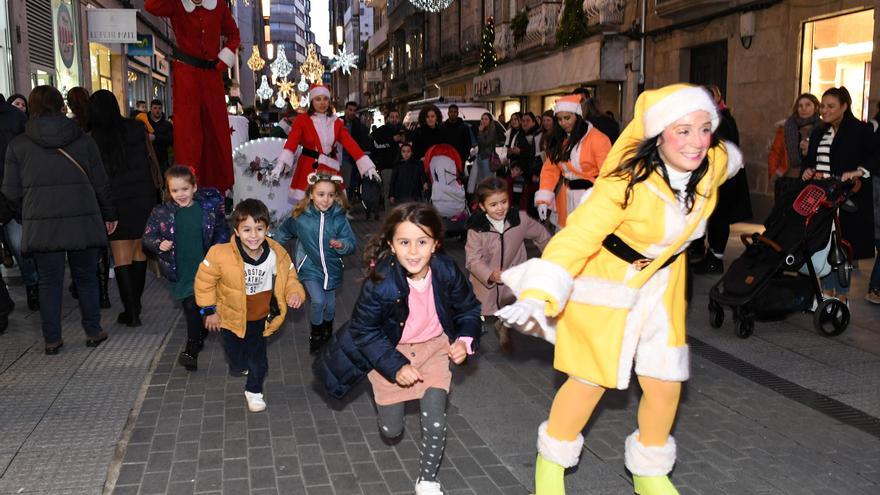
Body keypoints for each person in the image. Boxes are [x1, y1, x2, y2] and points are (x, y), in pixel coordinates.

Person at [495, 84, 742, 495]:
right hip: (609, 280)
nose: (697, 142)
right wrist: (541, 289)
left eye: (703, 129)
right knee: (591, 380)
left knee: (666, 381)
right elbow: (579, 236)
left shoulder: (711, 162)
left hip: (662, 284)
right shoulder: (626, 184)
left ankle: (649, 468)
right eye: (682, 131)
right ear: (658, 134)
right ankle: (551, 462)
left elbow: (726, 159)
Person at [313, 202, 481, 494]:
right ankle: (385, 404)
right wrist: (395, 366)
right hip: (390, 352)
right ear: (391, 245)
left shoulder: (446, 270)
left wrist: (464, 341)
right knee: (392, 430)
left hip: (435, 348)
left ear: (436, 244)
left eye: (422, 242)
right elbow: (364, 331)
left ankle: (427, 480)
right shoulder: (380, 282)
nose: (413, 252)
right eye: (405, 242)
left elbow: (468, 308)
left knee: (436, 418)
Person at [3, 85, 118, 354]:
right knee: (87, 278)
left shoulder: (18, 145)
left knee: (48, 282)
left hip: (43, 224)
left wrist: (28, 212)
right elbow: (101, 182)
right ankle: (92, 331)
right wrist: (109, 213)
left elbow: (10, 191)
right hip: (83, 220)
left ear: (31, 108)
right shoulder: (83, 140)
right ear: (61, 105)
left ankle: (52, 339)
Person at [195, 198, 305, 412]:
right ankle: (240, 364)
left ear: (267, 229)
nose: (253, 236)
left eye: (259, 229)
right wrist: (209, 311)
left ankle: (254, 391)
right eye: (246, 229)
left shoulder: (277, 254)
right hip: (230, 317)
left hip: (260, 317)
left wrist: (294, 292)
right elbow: (204, 282)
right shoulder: (219, 254)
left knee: (258, 359)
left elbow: (290, 276)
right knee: (236, 358)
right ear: (236, 231)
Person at [145, 0, 240, 194]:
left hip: (212, 74)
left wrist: (223, 60)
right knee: (188, 132)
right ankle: (188, 185)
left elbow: (234, 34)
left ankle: (219, 186)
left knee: (216, 130)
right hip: (186, 74)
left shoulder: (219, 5)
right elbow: (151, 6)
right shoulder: (177, 5)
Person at [142, 165, 229, 369]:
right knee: (191, 306)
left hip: (205, 269)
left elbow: (222, 231)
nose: (180, 194)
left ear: (194, 187)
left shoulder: (207, 209)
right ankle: (199, 335)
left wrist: (216, 252)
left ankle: (192, 349)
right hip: (180, 270)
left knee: (196, 306)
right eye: (174, 190)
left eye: (184, 189)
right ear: (168, 191)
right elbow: (147, 237)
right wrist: (158, 244)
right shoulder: (161, 213)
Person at [88, 89, 160, 326]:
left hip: (115, 201)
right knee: (139, 251)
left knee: (121, 256)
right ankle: (135, 304)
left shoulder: (94, 138)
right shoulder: (136, 128)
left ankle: (131, 312)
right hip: (142, 196)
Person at [802, 86, 876, 303]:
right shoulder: (818, 131)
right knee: (823, 243)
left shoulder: (860, 130)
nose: (825, 110)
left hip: (846, 198)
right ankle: (826, 292)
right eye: (823, 106)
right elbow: (811, 160)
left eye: (831, 106)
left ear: (845, 106)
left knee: (842, 246)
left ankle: (841, 297)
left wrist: (860, 171)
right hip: (820, 198)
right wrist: (808, 169)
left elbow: (874, 156)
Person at [274, 172, 357, 354]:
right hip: (309, 267)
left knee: (331, 305)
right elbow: (283, 232)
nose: (326, 199)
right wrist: (271, 247)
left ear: (335, 196)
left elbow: (351, 243)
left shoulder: (339, 218)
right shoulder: (301, 218)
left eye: (330, 195)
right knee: (318, 301)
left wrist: (342, 245)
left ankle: (327, 331)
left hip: (332, 269)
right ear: (311, 194)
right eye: (321, 194)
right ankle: (316, 335)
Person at [466, 177, 549, 352]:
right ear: (482, 206)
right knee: (482, 311)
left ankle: (503, 326)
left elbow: (541, 235)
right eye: (493, 204)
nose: (500, 208)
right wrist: (490, 274)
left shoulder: (519, 220)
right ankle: (471, 335)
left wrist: (553, 257)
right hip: (486, 282)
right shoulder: (477, 228)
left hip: (513, 275)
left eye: (504, 202)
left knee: (512, 306)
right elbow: (473, 259)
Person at [271, 84, 380, 202]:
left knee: (332, 205)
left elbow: (350, 144)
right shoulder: (302, 120)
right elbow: (291, 143)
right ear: (312, 101)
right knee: (309, 208)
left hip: (330, 168)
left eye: (325, 99)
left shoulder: (336, 122)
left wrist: (368, 166)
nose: (322, 103)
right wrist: (280, 164)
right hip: (308, 168)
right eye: (318, 99)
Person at [691, 85, 752, 274]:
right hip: (713, 177)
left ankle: (715, 260)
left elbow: (720, 149)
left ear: (717, 98)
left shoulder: (723, 120)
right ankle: (707, 254)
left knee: (720, 219)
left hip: (724, 178)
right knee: (713, 217)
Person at [535, 94, 612, 228]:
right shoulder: (559, 140)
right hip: (565, 198)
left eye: (567, 118)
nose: (563, 123)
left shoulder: (598, 139)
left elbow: (608, 173)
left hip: (590, 198)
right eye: (559, 119)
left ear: (578, 116)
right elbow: (549, 170)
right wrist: (543, 199)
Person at [0, 92, 38, 313]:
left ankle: (33, 285)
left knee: (20, 246)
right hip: (13, 193)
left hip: (12, 194)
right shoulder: (16, 117)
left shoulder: (15, 117)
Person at [768, 93, 820, 200]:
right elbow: (775, 152)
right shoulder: (786, 127)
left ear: (815, 107)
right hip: (786, 179)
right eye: (800, 106)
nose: (803, 108)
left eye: (808, 105)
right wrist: (774, 172)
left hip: (810, 179)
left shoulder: (822, 128)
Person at [372, 108, 407, 206]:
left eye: (396, 117)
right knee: (388, 193)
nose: (394, 119)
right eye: (392, 117)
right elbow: (375, 142)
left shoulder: (403, 130)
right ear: (387, 119)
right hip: (387, 167)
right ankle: (389, 217)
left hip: (402, 167)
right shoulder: (382, 130)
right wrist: (391, 139)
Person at [342, 101, 373, 199]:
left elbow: (363, 140)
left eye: (354, 111)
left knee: (347, 184)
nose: (351, 112)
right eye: (350, 110)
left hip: (350, 159)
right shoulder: (338, 121)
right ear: (345, 110)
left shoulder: (358, 124)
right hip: (338, 157)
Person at [148, 99, 174, 173]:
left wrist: (156, 138)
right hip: (148, 160)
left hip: (163, 160)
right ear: (151, 109)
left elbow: (171, 140)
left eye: (159, 108)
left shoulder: (167, 125)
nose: (157, 110)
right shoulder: (145, 123)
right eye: (155, 108)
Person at [474, 113, 499, 185]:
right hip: (481, 157)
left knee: (487, 180)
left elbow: (485, 143)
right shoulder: (483, 130)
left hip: (487, 158)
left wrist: (480, 132)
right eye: (482, 119)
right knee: (481, 179)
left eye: (486, 119)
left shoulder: (492, 131)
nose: (483, 121)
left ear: (490, 121)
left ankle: (488, 194)